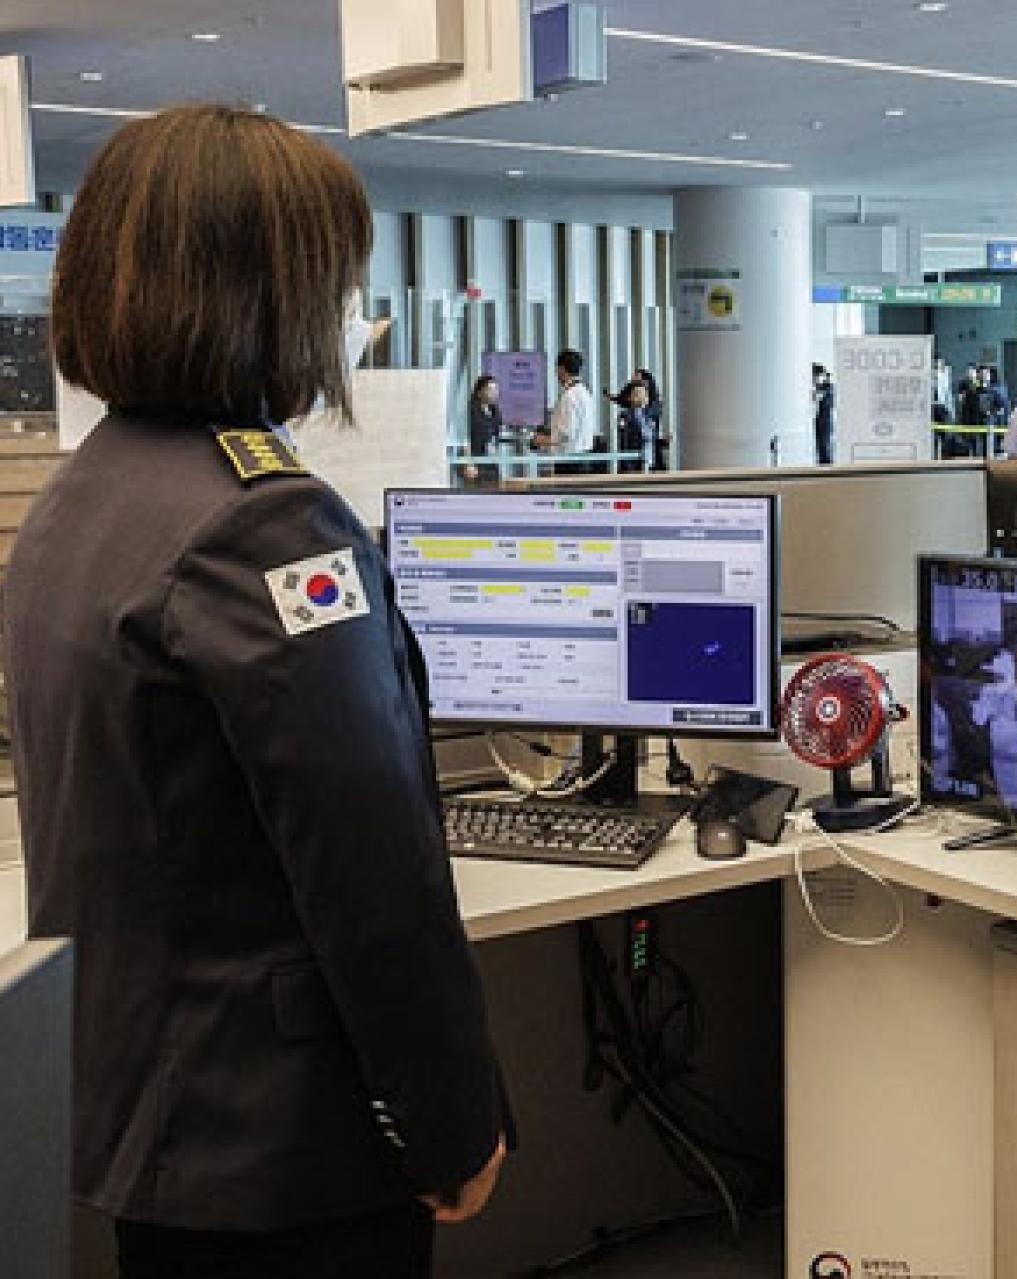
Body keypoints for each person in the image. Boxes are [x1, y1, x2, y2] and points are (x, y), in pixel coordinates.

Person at [5, 104, 508, 1278]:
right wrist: (451, 1117)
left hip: (152, 1095)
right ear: (270, 294)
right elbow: (370, 870)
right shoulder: (267, 523)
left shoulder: (82, 497)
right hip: (282, 1136)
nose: (344, 318)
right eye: (335, 285)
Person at [973, 651, 1017, 808]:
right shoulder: (988, 693)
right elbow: (978, 719)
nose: (993, 678)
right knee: (1007, 801)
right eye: (993, 675)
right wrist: (986, 705)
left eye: (996, 674)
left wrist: (1015, 718)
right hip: (999, 756)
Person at [539, 347, 596, 472]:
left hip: (569, 460)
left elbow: (565, 434)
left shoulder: (569, 396)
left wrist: (541, 440)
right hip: (584, 456)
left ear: (561, 369)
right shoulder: (585, 393)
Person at [465, 374, 501, 483]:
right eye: (490, 389)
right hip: (475, 463)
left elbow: (495, 436)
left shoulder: (495, 411)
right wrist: (469, 463)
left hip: (491, 462)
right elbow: (464, 439)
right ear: (479, 392)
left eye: (496, 389)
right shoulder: (471, 411)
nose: (494, 392)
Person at [812, 362, 835, 464]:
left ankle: (826, 464)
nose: (815, 380)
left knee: (824, 443)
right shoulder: (825, 388)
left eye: (816, 376)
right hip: (822, 420)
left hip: (824, 420)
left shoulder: (827, 388)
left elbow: (816, 398)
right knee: (822, 443)